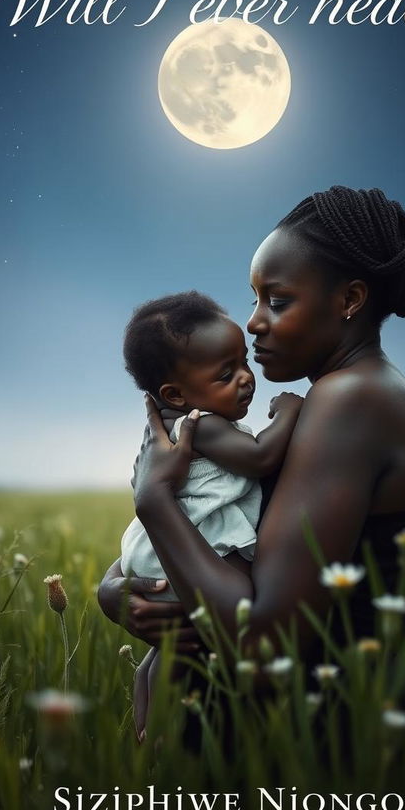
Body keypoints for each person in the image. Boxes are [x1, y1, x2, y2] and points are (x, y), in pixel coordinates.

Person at [98, 185, 405, 737]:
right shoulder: (353, 398)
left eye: (278, 301)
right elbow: (223, 532)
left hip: (326, 757)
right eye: (255, 298)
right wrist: (117, 588)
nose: (254, 322)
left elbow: (260, 647)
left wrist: (153, 499)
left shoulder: (351, 401)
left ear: (350, 300)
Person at [119, 291, 303, 736]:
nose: (246, 378)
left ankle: (147, 728)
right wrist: (290, 412)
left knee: (165, 655)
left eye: (243, 362)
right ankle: (160, 736)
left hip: (162, 550)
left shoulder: (182, 420)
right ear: (175, 394)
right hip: (187, 552)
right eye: (226, 374)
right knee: (182, 653)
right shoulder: (203, 426)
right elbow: (260, 457)